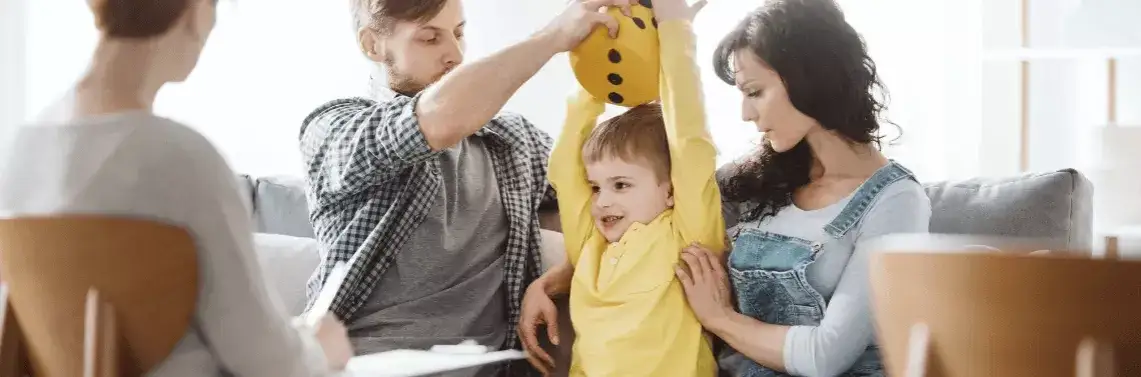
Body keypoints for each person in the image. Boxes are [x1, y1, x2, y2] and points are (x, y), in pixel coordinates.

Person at [0, 0, 353, 375]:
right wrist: (316, 348)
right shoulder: (182, 158)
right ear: (197, 11)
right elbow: (264, 362)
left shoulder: (20, 153)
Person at [297, 0, 635, 374]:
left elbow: (615, 196)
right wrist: (554, 37)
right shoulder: (334, 130)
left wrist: (657, 50)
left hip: (489, 367)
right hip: (364, 364)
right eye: (430, 39)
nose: (455, 55)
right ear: (372, 45)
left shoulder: (512, 140)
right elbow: (435, 121)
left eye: (459, 33)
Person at [671, 1, 933, 376]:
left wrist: (720, 318)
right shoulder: (752, 180)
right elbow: (654, 202)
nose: (746, 113)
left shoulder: (897, 202)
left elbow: (824, 356)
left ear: (808, 77)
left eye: (755, 92)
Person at [528, 0, 722, 374]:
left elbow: (690, 139)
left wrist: (675, 29)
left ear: (670, 190)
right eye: (596, 187)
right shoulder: (590, 245)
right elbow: (565, 166)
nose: (601, 201)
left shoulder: (686, 236)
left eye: (620, 184)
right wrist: (599, 71)